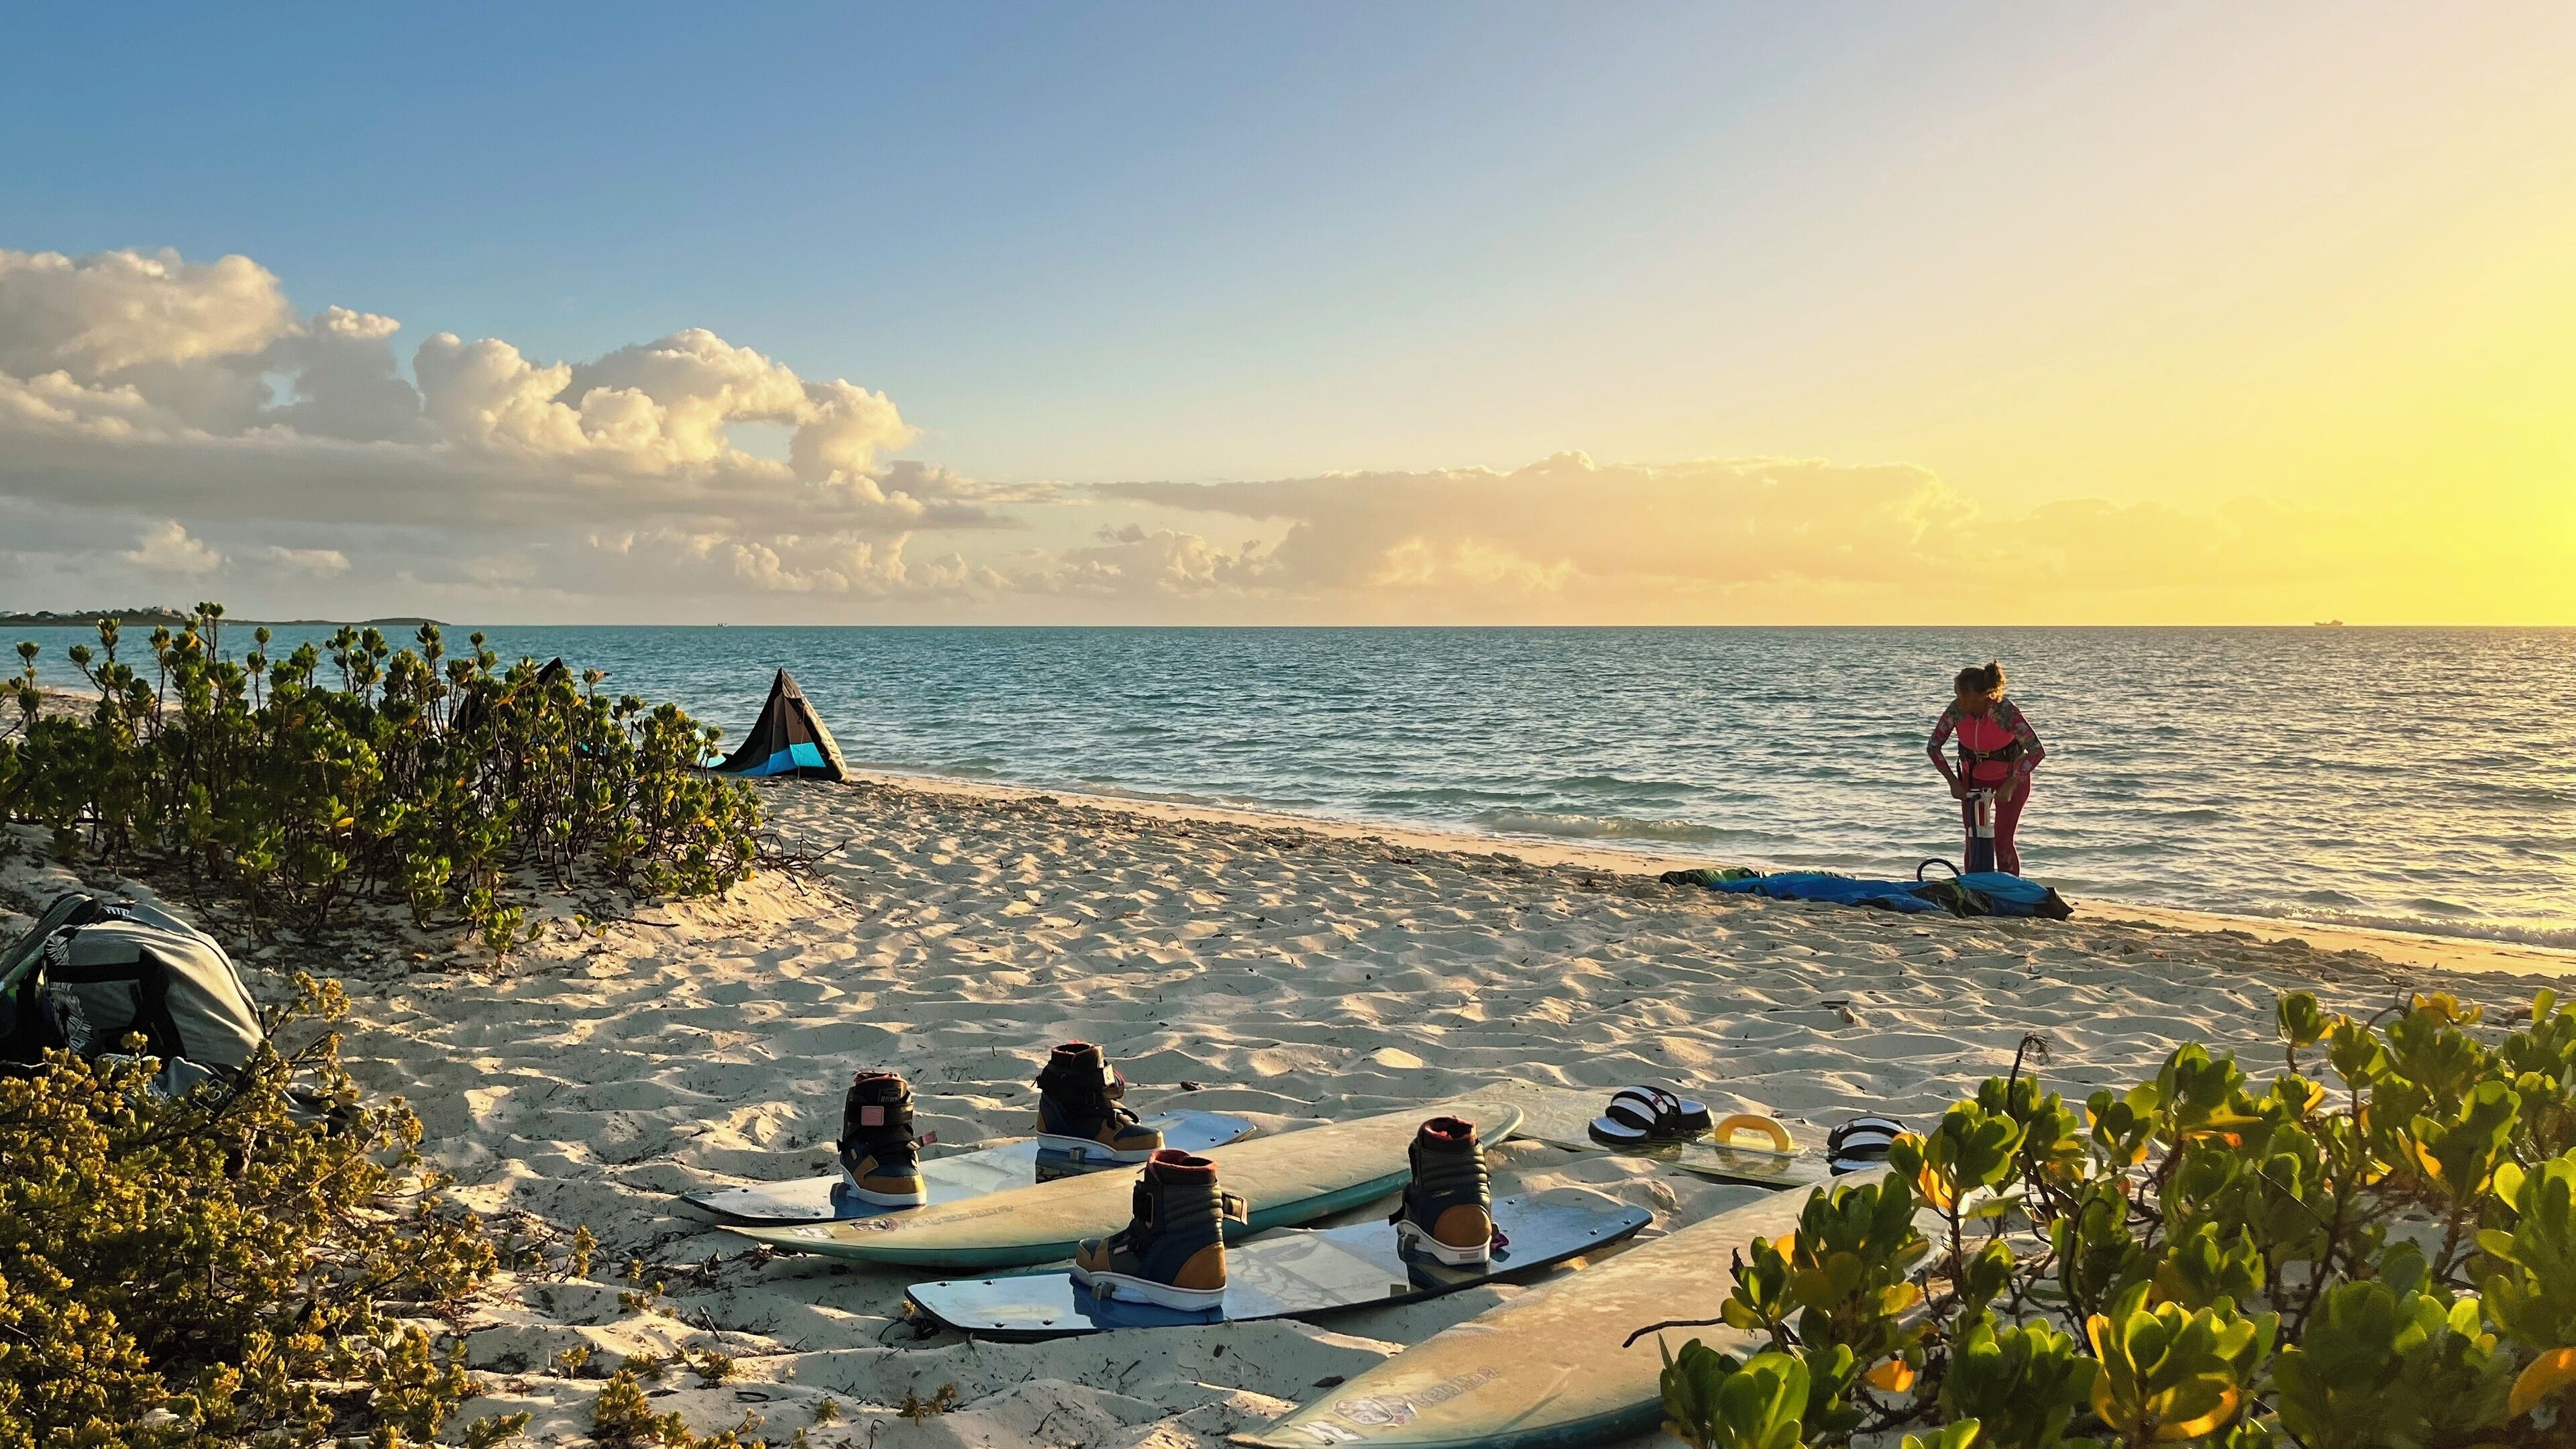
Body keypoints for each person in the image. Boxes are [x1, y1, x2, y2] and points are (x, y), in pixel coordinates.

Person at [1927, 661, 2044, 874]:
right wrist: (1954, 782)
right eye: (1957, 693)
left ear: (1981, 695)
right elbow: (1933, 747)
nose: (1957, 699)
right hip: (1973, 781)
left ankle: (2007, 892)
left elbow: (2036, 751)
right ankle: (1975, 889)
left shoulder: (2005, 712)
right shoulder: (1956, 710)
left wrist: (2010, 784)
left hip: (2011, 780)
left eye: (1962, 694)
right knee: (1974, 837)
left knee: (2002, 840)